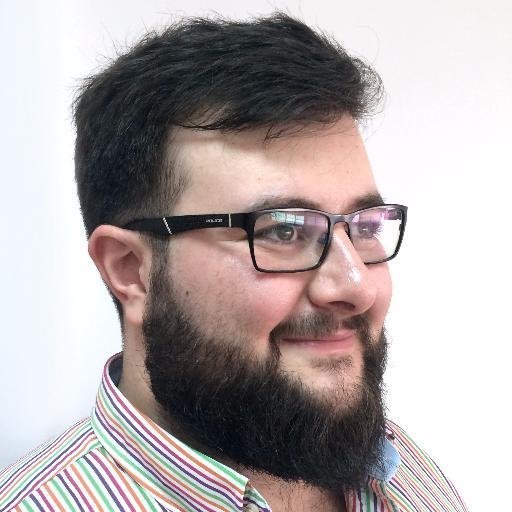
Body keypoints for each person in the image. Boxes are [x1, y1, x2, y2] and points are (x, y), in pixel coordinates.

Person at [0, 13, 467, 512]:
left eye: (365, 227)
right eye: (283, 231)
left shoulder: (400, 471)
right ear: (131, 270)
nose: (358, 287)